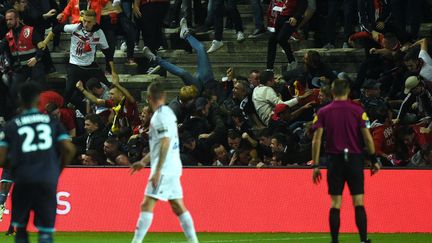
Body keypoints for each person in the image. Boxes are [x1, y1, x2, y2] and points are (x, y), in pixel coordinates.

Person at [0, 82, 76, 243]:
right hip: (46, 180)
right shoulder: (52, 123)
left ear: (20, 100)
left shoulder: (12, 125)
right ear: (38, 101)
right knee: (46, 233)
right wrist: (57, 169)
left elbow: (1, 158)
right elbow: (69, 149)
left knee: (20, 232)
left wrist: (14, 168)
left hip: (23, 180)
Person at [311, 78, 381, 243]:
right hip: (354, 159)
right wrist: (373, 159)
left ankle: (334, 241)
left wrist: (315, 165)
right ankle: (363, 240)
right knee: (358, 201)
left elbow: (317, 139)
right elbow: (367, 137)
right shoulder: (358, 110)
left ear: (333, 92)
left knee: (335, 202)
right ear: (348, 91)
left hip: (334, 160)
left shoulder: (323, 112)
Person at [130, 81, 199, 243]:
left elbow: (165, 142)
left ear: (148, 98)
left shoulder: (159, 117)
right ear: (164, 96)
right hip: (174, 165)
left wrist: (158, 170)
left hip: (165, 168)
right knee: (178, 206)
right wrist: (143, 161)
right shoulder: (168, 112)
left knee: (146, 204)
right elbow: (160, 144)